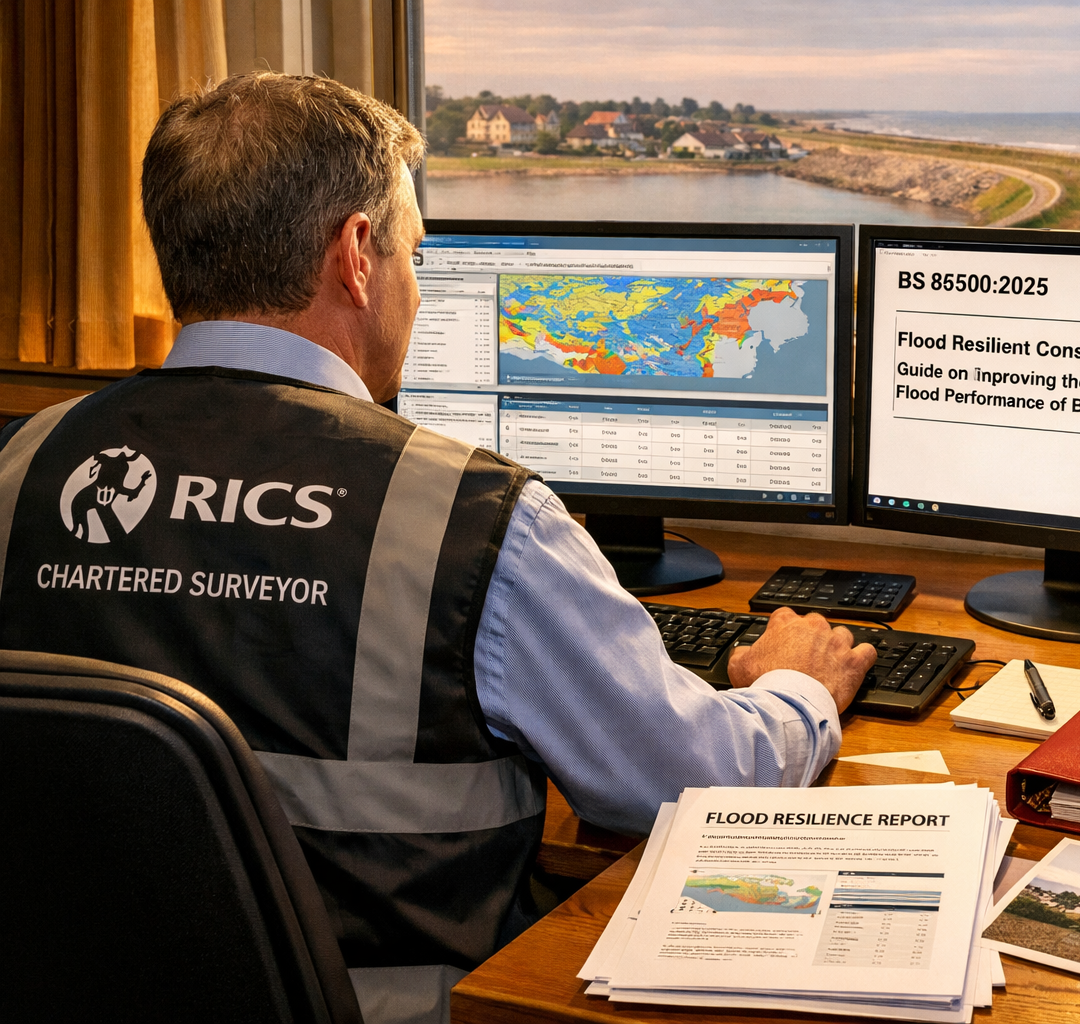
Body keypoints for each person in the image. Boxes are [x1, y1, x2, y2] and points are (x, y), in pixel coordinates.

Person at [0, 72, 874, 1023]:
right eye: (416, 251)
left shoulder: (22, 465)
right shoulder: (474, 519)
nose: (417, 285)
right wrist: (794, 686)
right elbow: (697, 785)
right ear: (359, 256)